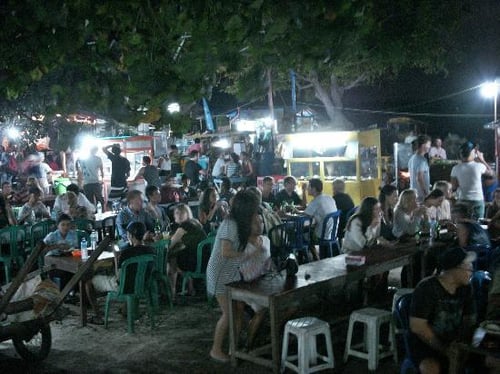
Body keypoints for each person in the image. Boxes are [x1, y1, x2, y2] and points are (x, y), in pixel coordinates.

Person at [206, 190, 260, 363]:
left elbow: (254, 236)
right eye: (254, 207)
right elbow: (225, 251)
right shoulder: (230, 224)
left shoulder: (241, 222)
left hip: (232, 272)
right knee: (228, 314)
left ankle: (233, 348)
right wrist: (247, 254)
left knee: (237, 311)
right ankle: (216, 350)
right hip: (220, 273)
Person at [409, 247, 476, 374]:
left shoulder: (466, 289)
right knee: (431, 368)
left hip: (455, 342)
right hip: (427, 344)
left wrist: (462, 346)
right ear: (455, 269)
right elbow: (418, 327)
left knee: (491, 361)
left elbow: (469, 321)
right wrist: (444, 349)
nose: (471, 271)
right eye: (468, 268)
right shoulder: (427, 288)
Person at [85, 221, 155, 325]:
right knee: (131, 277)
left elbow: (118, 278)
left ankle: (97, 316)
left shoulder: (126, 253)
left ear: (130, 235)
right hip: (143, 285)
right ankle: (126, 309)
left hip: (124, 287)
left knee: (88, 283)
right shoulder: (151, 250)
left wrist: (116, 259)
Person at [167, 204, 207, 298]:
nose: (179, 215)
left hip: (195, 263)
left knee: (171, 258)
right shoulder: (196, 223)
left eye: (182, 212)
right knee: (177, 255)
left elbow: (170, 245)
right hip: (205, 260)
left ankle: (172, 293)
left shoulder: (183, 227)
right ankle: (190, 288)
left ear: (187, 213)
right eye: (177, 213)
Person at [451, 141, 492, 220]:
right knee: (477, 226)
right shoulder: (479, 166)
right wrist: (482, 159)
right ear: (472, 152)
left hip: (462, 200)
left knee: (464, 225)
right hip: (477, 200)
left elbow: (454, 187)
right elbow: (491, 173)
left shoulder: (455, 168)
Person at [303, 178, 337, 259]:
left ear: (314, 189)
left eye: (308, 187)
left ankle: (313, 257)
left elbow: (305, 216)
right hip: (332, 233)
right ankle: (316, 257)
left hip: (322, 235)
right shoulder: (329, 198)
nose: (307, 189)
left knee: (304, 234)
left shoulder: (316, 201)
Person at [77, 146, 105, 210]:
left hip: (86, 183)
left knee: (89, 202)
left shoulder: (82, 159)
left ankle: (91, 216)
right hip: (95, 182)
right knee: (100, 201)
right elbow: (102, 171)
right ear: (96, 151)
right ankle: (101, 214)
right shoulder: (98, 159)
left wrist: (80, 183)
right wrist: (102, 179)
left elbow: (80, 172)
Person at [408, 135, 431, 203]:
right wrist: (426, 194)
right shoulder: (422, 160)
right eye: (429, 144)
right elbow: (419, 178)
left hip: (414, 194)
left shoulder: (412, 159)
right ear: (423, 145)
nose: (429, 147)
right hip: (421, 196)